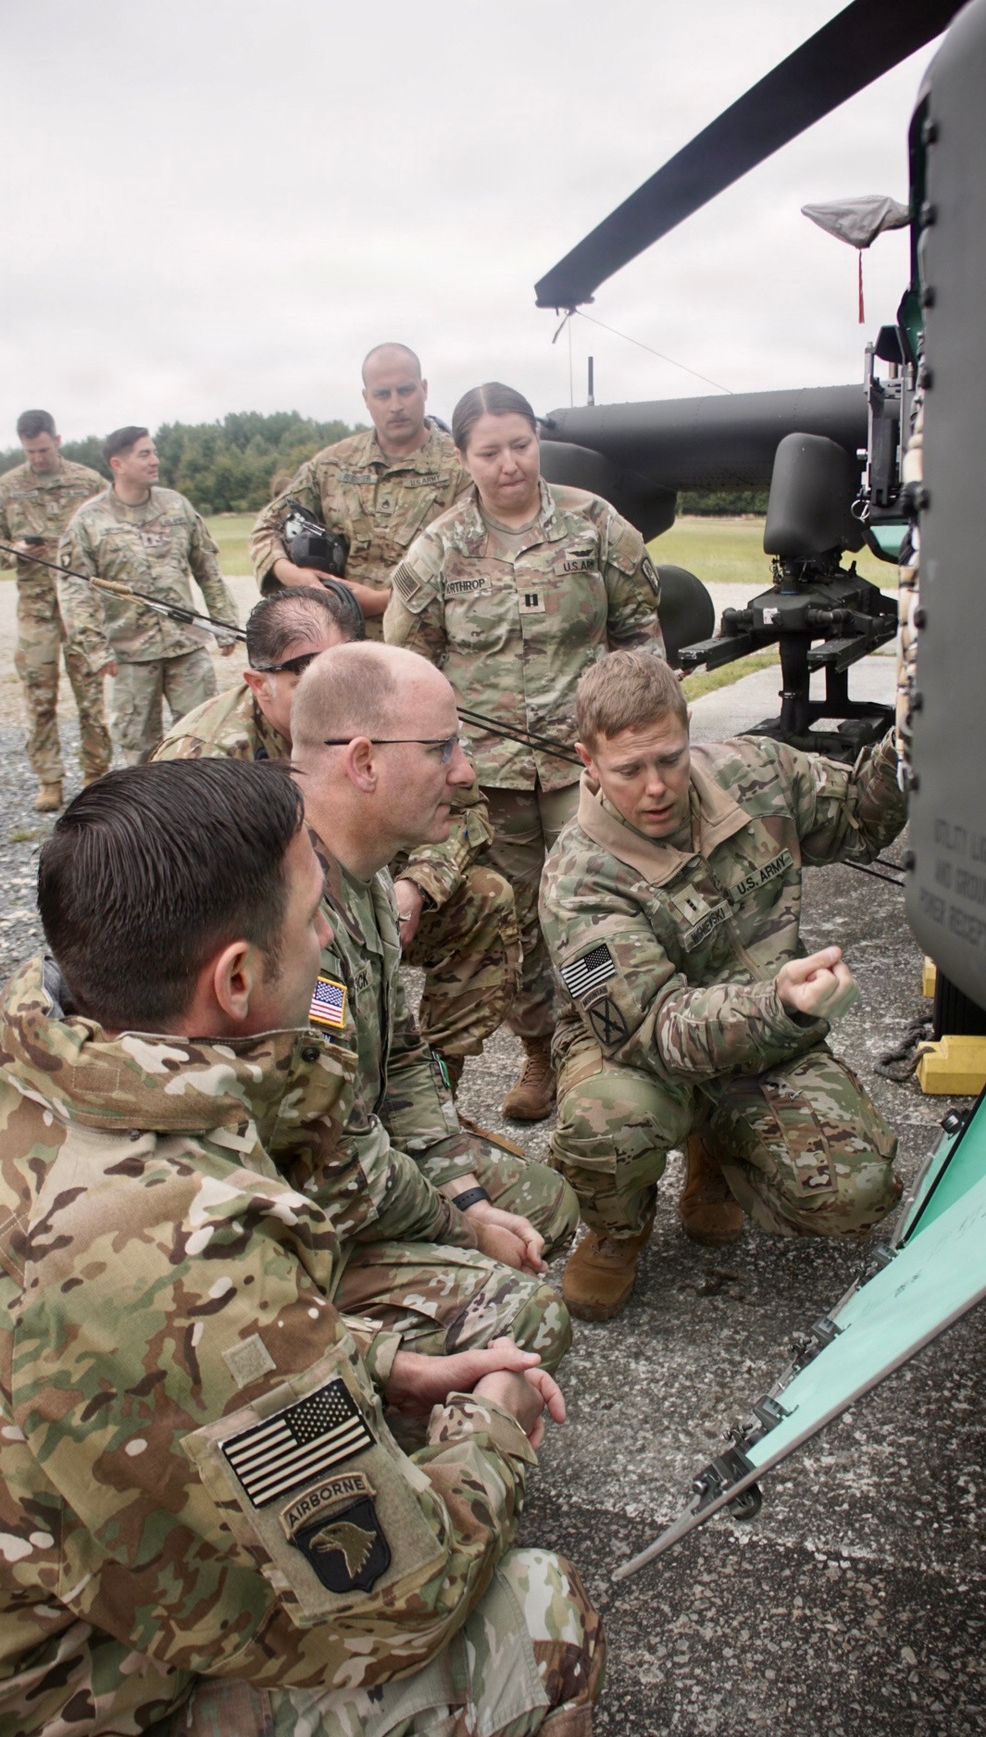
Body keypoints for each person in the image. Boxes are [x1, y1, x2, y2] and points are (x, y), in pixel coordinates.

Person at [0, 759, 603, 1737]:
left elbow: (140, 1373)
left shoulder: (55, 1050)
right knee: (536, 1628)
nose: (329, 939)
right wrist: (492, 1428)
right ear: (234, 978)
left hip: (56, 1553)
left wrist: (373, 1366)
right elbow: (401, 1603)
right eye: (312, 918)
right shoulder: (192, 1253)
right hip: (79, 1692)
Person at [539, 650, 907, 1321]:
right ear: (587, 763)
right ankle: (619, 1228)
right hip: (639, 1053)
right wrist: (780, 1004)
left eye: (669, 759)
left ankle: (717, 1147)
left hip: (763, 1040)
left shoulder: (756, 772)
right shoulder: (578, 879)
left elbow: (859, 816)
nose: (655, 787)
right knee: (605, 1127)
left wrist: (908, 745)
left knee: (859, 1196)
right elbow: (653, 1028)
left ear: (689, 735)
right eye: (628, 770)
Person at [384, 380, 666, 1123]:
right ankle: (540, 1053)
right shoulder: (438, 548)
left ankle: (603, 1044)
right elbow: (408, 665)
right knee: (519, 917)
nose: (509, 463)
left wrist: (642, 733)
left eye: (521, 444)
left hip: (586, 764)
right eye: (489, 451)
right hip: (491, 774)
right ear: (462, 456)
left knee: (599, 904)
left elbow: (640, 632)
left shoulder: (596, 525)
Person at [290, 642, 580, 1280]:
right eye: (440, 748)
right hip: (290, 1192)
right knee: (522, 1318)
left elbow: (399, 1055)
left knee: (548, 1206)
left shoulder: (361, 875)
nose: (466, 772)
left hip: (356, 1141)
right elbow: (326, 1154)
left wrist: (465, 1192)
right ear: (363, 762)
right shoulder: (286, 920)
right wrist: (466, 1229)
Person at [154, 585, 520, 1088]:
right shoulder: (201, 759)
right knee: (327, 997)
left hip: (377, 898)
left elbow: (467, 809)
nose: (337, 685)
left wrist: (416, 885)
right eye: (310, 673)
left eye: (347, 662)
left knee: (484, 898)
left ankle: (430, 1082)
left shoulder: (387, 716)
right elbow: (178, 914)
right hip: (273, 939)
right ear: (259, 685)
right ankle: (330, 1099)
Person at [249, 343, 471, 636]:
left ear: (424, 389)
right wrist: (293, 574)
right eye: (382, 394)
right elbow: (266, 528)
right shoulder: (332, 465)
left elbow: (477, 572)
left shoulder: (461, 467)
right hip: (341, 646)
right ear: (366, 398)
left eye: (405, 390)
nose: (395, 405)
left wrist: (383, 601)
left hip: (426, 647)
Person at [57, 425, 240, 762]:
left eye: (154, 452)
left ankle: (206, 811)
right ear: (118, 464)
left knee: (202, 739)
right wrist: (95, 649)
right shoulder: (88, 521)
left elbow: (207, 570)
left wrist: (224, 623)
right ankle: (146, 815)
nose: (155, 460)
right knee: (139, 749)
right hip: (130, 656)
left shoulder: (176, 507)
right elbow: (73, 591)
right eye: (145, 454)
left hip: (186, 646)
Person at [0, 408, 112, 810]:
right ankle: (49, 781)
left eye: (43, 450)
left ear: (57, 440)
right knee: (39, 698)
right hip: (36, 612)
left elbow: (112, 532)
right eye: (30, 452)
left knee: (90, 699)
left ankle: (95, 777)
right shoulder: (8, 487)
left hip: (81, 611)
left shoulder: (89, 482)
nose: (38, 458)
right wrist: (15, 551)